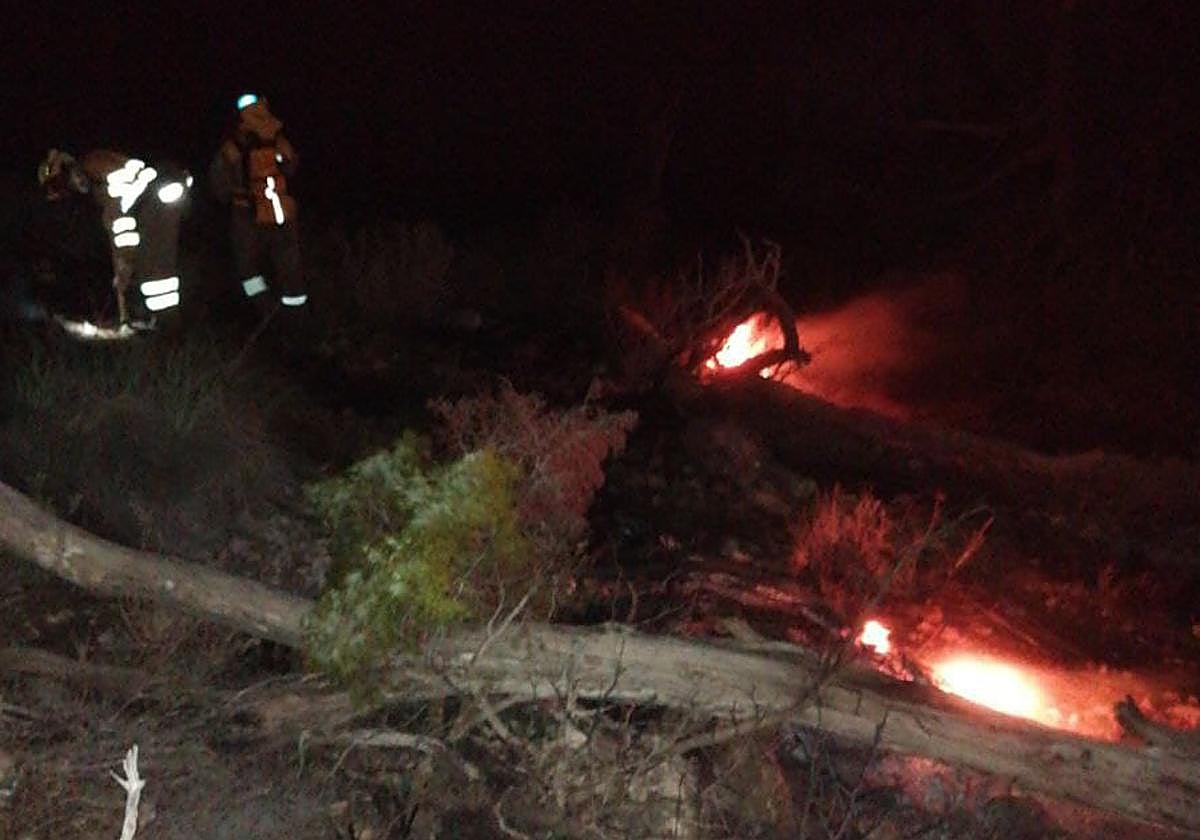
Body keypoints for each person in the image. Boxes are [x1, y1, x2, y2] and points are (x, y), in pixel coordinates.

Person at [34, 148, 191, 328]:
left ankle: (167, 328)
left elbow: (119, 221)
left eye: (59, 185)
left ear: (66, 169)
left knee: (154, 271)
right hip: (156, 197)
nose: (71, 188)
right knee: (152, 267)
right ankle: (159, 324)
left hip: (156, 197)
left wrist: (124, 262)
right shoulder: (98, 182)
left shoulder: (95, 166)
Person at [208, 94, 307, 328]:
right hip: (282, 214)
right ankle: (298, 322)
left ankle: (267, 312)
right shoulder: (278, 138)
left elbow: (218, 182)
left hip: (246, 215)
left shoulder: (232, 145)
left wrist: (231, 200)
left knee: (248, 270)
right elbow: (291, 167)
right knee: (289, 269)